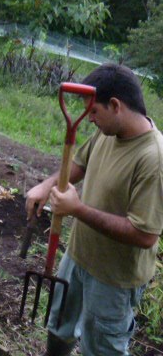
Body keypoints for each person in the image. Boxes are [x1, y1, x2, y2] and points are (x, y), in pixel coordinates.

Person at [25, 63, 163, 356]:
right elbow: (79, 164)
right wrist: (45, 186)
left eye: (93, 112)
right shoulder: (108, 132)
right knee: (59, 326)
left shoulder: (154, 159)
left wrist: (77, 209)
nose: (88, 120)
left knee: (101, 349)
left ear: (115, 105)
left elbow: (145, 234)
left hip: (114, 279)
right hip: (78, 256)